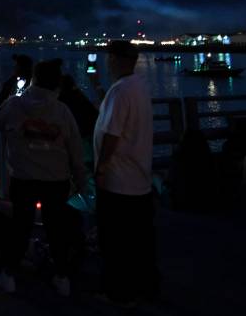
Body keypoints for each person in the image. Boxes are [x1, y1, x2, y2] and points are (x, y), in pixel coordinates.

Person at [0, 59, 88, 298]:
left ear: (33, 79)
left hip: (23, 178)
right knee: (57, 229)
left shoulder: (14, 105)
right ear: (56, 83)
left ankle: (9, 275)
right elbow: (75, 149)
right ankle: (62, 277)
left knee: (20, 226)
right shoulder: (62, 111)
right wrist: (81, 179)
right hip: (56, 179)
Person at [92, 40, 158, 306]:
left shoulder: (120, 92)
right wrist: (98, 87)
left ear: (116, 60)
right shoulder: (138, 86)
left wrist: (101, 167)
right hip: (139, 179)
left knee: (115, 241)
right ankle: (144, 287)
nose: (107, 62)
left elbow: (112, 135)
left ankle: (118, 293)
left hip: (118, 181)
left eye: (109, 57)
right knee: (138, 240)